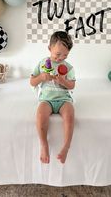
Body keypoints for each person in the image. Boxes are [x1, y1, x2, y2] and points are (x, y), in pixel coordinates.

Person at [30, 31, 76, 164]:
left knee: (70, 115)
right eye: (57, 54)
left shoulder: (68, 67)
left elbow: (72, 85)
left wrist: (63, 82)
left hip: (63, 99)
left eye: (65, 55)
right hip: (47, 99)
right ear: (49, 48)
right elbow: (32, 82)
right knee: (40, 115)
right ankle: (44, 145)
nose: (61, 58)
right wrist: (41, 77)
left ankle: (66, 147)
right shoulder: (43, 63)